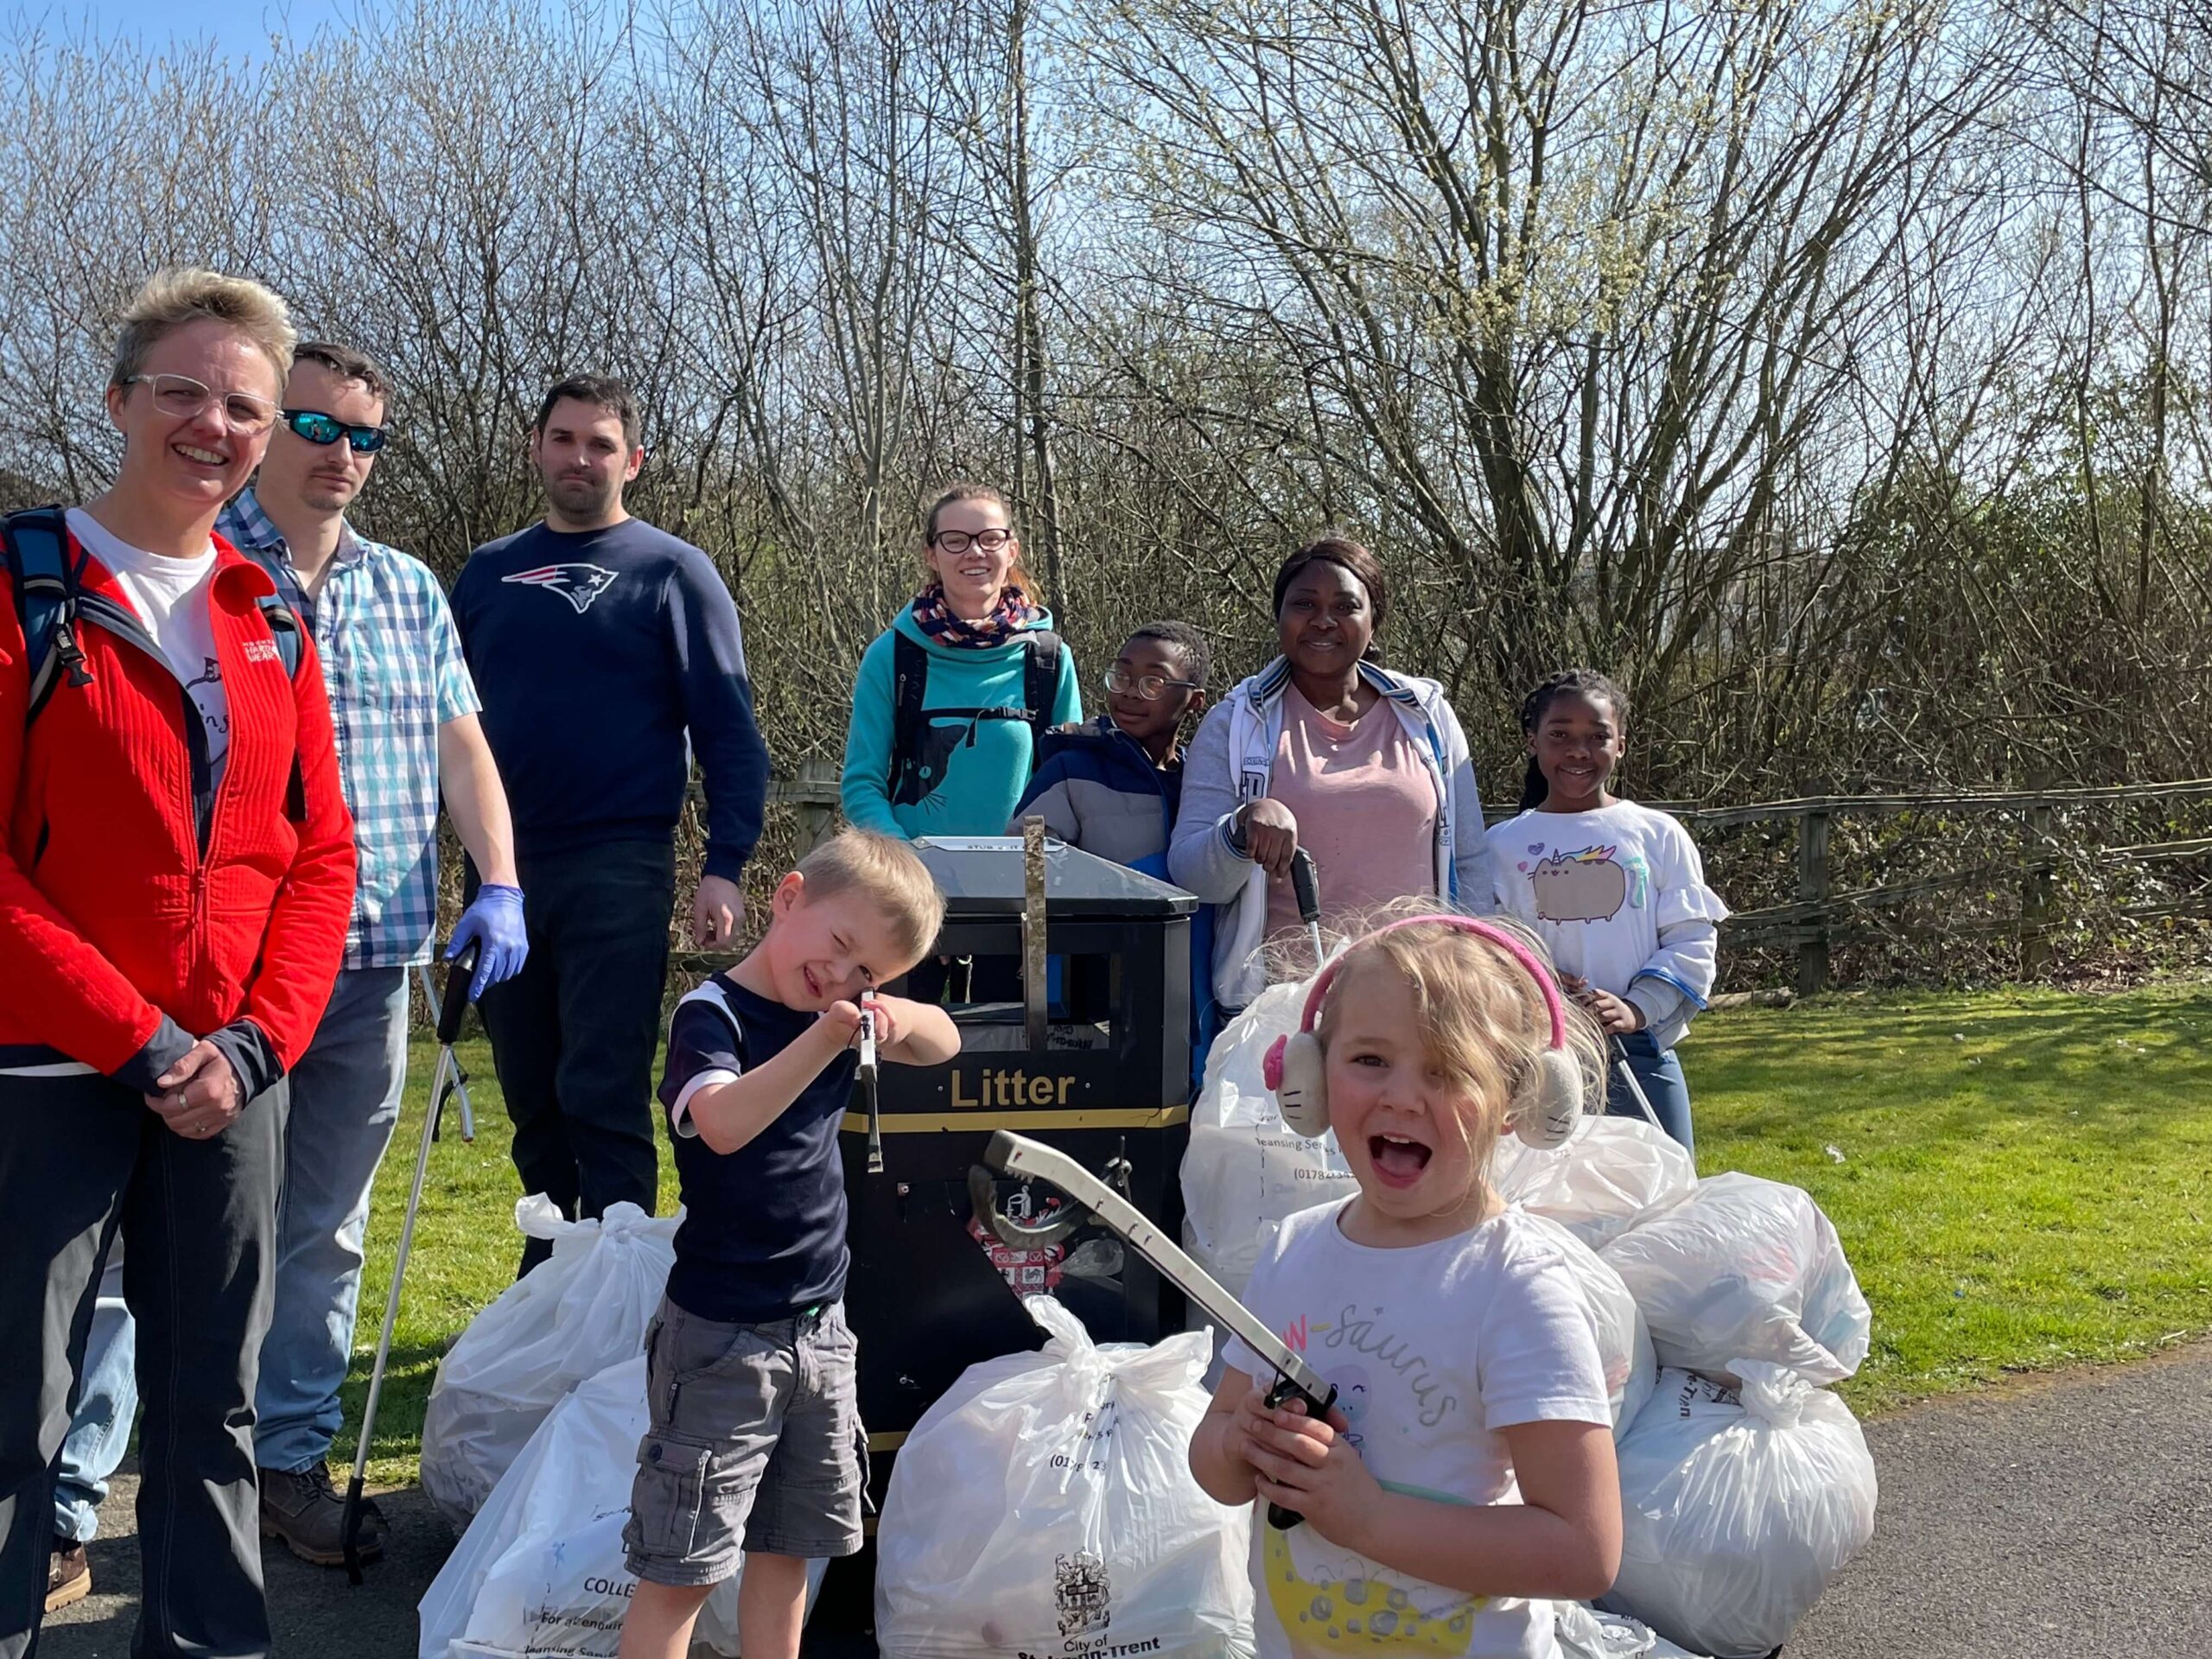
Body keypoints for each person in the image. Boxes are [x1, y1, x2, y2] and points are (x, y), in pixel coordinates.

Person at [0, 270, 356, 1657]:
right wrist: (135, 1037)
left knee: (214, 1409)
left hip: (231, 1076)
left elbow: (320, 855)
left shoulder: (273, 613)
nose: (214, 423)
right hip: (46, 1060)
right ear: (119, 402)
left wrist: (256, 1045)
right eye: (184, 392)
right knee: (15, 1412)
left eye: (244, 406)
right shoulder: (27, 584)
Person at [216, 340, 526, 1560]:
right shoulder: (201, 566)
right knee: (173, 1223)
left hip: (372, 959)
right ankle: (81, 1484)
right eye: (319, 426)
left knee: (327, 1225)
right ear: (264, 428)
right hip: (227, 966)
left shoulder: (407, 587)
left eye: (366, 437)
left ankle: (289, 1460)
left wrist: (497, 879)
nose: (343, 456)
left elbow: (461, 747)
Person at [1187, 915, 1621, 1659]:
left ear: (1520, 1100)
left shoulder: (1515, 1285)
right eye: (1369, 1059)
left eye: (1448, 1071)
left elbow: (1584, 1551)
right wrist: (1242, 1443)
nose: (1401, 1098)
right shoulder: (1292, 1253)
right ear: (1310, 1076)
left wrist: (1369, 1522)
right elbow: (1215, 1459)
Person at [452, 375, 771, 1273]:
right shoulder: (486, 573)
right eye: (563, 439)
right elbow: (443, 724)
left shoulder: (671, 570)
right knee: (530, 1089)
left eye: (600, 444)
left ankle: (621, 1276)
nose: (579, 459)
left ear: (632, 460)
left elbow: (729, 736)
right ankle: (546, 1279)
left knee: (603, 1081)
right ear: (535, 447)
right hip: (503, 872)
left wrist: (725, 864)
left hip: (620, 861)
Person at [615, 830, 958, 1659]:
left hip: (821, 1332)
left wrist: (890, 1013)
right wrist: (831, 1035)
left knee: (789, 1554)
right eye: (839, 947)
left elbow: (943, 1038)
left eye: (866, 974)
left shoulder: (841, 1015)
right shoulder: (711, 1014)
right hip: (721, 1343)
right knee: (684, 1570)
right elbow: (723, 1124)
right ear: (789, 896)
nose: (839, 980)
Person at [1169, 535, 1496, 1018]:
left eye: (1346, 606)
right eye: (1304, 604)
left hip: (1421, 1001)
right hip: (1282, 1009)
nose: (1323, 620)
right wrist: (1241, 829)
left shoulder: (1428, 717)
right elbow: (1191, 873)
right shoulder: (1235, 723)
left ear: (1373, 621)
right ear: (1279, 616)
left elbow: (1469, 862)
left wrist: (1476, 972)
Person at [1486, 670, 1727, 1155]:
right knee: (1548, 1200)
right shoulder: (1498, 846)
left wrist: (1637, 1008)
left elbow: (1690, 937)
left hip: (1639, 1051)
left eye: (1597, 737)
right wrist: (1542, 986)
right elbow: (1486, 948)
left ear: (1621, 744)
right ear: (1533, 741)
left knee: (1665, 1189)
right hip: (1537, 1056)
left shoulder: (1657, 833)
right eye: (1560, 736)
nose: (1578, 751)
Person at [840, 484, 1081, 842]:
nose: (975, 551)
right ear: (931, 555)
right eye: (955, 540)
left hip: (1021, 882)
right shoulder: (892, 656)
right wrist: (907, 862)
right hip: (914, 885)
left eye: (990, 538)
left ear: (1012, 550)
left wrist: (1032, 866)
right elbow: (862, 783)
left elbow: (1069, 784)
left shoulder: (1048, 659)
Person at [1007, 619, 1208, 874]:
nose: (1131, 692)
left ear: (1194, 701)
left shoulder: (1202, 782)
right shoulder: (1069, 773)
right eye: (1122, 676)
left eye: (1154, 682)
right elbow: (1027, 871)